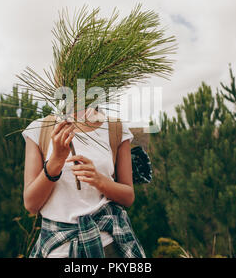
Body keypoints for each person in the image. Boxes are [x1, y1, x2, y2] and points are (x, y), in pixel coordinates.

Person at [21, 108, 146, 258]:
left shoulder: (116, 128)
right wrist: (56, 161)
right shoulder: (40, 129)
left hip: (108, 247)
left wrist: (99, 180)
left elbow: (128, 197)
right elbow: (31, 205)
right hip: (57, 250)